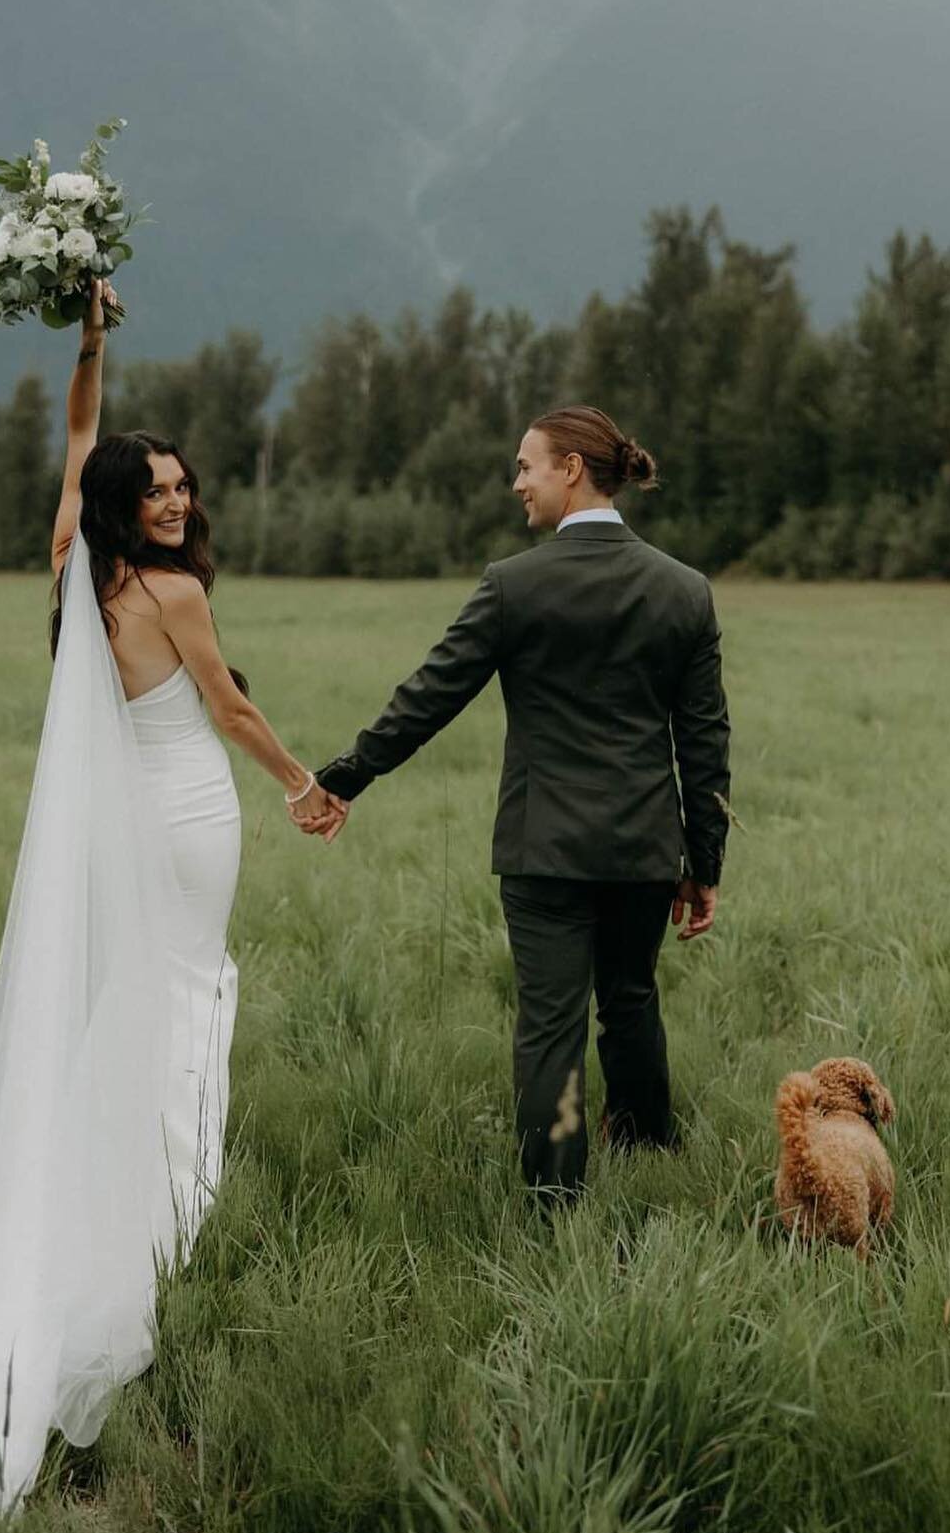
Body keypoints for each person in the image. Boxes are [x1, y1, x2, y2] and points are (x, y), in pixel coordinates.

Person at [0, 280, 342, 1516]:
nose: (177, 499)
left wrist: (94, 345)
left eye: (182, 484)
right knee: (184, 993)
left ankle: (122, 1173)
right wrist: (302, 785)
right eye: (155, 488)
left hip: (127, 829)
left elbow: (75, 436)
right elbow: (228, 709)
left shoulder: (74, 565)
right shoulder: (171, 594)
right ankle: (167, 1203)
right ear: (129, 509)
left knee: (140, 995)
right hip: (188, 817)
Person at [301, 406, 731, 1208]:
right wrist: (704, 862)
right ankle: (645, 1157)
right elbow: (704, 742)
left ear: (571, 468)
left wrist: (344, 778)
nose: (517, 484)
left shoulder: (515, 584)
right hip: (643, 848)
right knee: (631, 1001)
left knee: (550, 1026)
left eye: (526, 466)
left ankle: (556, 1198)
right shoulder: (685, 591)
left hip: (545, 849)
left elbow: (428, 698)